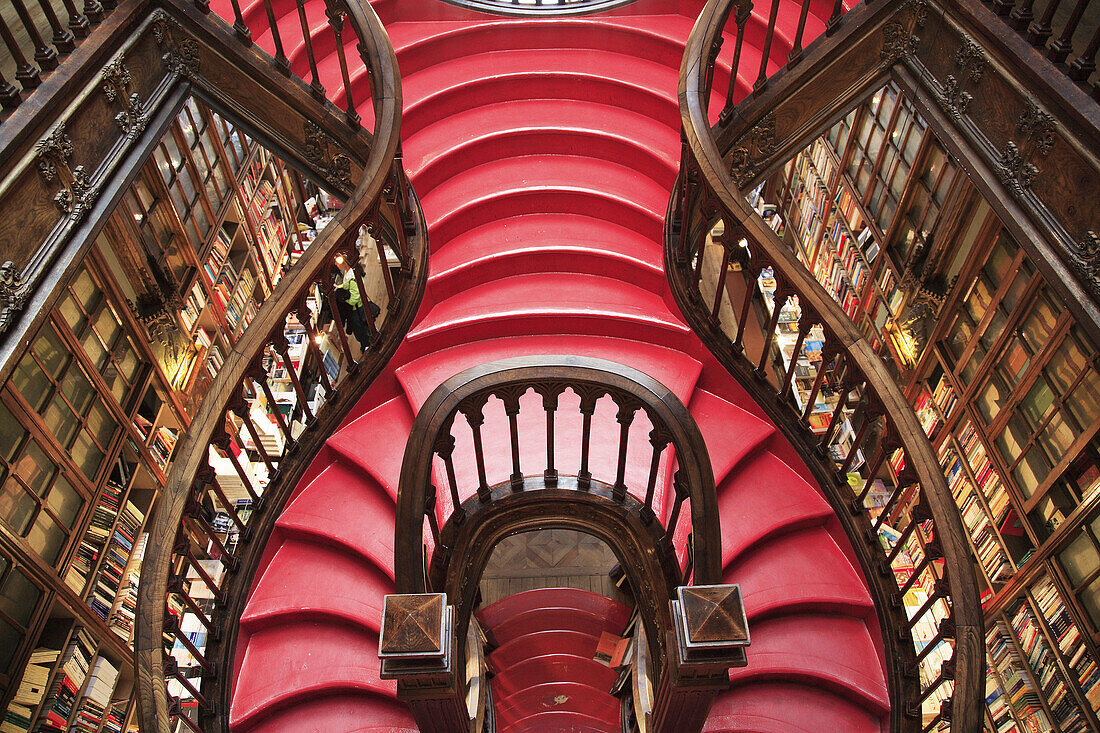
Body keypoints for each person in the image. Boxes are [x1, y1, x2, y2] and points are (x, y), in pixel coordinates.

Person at [336, 261, 380, 348]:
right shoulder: (348, 272)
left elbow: (354, 298)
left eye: (337, 262)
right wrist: (339, 287)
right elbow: (347, 285)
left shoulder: (352, 277)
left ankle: (368, 344)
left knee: (361, 329)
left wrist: (344, 301)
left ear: (345, 262)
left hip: (357, 309)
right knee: (361, 327)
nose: (336, 264)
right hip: (357, 308)